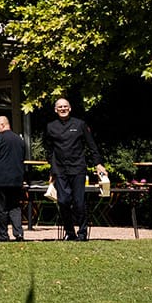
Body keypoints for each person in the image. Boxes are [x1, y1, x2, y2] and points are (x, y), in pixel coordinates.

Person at [44, 96, 106, 242]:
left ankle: (83, 232)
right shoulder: (50, 127)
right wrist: (52, 168)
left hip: (78, 168)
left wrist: (98, 164)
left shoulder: (80, 124)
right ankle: (70, 232)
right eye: (60, 107)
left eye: (65, 106)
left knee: (79, 202)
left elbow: (92, 146)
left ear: (70, 108)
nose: (63, 109)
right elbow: (48, 149)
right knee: (63, 201)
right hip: (60, 170)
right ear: (55, 110)